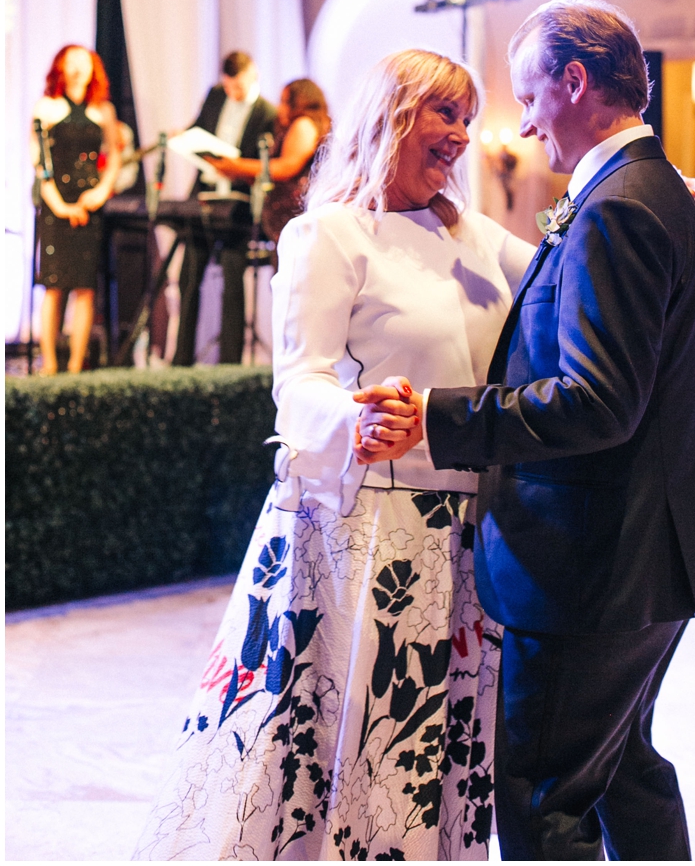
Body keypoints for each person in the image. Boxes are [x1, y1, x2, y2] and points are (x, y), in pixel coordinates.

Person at [135, 50, 531, 860]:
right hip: (364, 532)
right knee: (341, 743)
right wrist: (355, 421)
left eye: (466, 116)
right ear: (391, 115)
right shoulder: (329, 232)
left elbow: (567, 278)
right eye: (443, 113)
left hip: (465, 535)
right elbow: (300, 383)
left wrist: (634, 219)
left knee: (434, 748)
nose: (460, 133)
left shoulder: (478, 237)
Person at [352, 0, 695, 859]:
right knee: (625, 773)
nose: (520, 124)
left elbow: (597, 401)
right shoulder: (651, 190)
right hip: (644, 562)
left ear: (575, 80)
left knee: (545, 800)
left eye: (527, 97)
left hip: (594, 570)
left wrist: (437, 419)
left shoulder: (620, 207)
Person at [173, 50, 277, 366]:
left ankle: (230, 362)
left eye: (239, 87)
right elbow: (199, 128)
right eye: (229, 87)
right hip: (205, 196)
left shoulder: (266, 112)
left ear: (252, 75)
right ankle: (180, 359)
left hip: (238, 204)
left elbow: (264, 163)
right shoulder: (215, 96)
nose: (233, 93)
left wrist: (235, 167)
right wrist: (185, 138)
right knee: (188, 276)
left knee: (233, 281)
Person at [31, 45, 121, 374]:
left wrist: (99, 193)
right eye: (71, 63)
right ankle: (49, 364)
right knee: (54, 286)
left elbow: (114, 156)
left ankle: (74, 365)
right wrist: (59, 204)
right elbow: (40, 162)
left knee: (86, 286)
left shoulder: (104, 111)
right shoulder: (47, 108)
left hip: (90, 200)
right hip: (57, 202)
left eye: (83, 63)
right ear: (60, 68)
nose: (77, 69)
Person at [203, 77, 333, 246]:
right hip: (286, 222)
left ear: (300, 102)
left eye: (285, 101)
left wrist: (237, 166)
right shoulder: (306, 124)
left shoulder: (304, 124)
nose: (280, 108)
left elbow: (287, 167)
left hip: (294, 216)